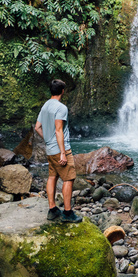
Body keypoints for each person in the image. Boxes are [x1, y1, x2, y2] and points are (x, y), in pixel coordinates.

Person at [35, 79, 82, 223]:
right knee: (68, 178)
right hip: (61, 149)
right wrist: (62, 152)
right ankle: (67, 213)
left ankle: (52, 209)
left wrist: (48, 141)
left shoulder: (45, 106)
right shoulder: (61, 108)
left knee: (52, 177)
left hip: (50, 149)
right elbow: (59, 130)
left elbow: (37, 127)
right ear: (62, 91)